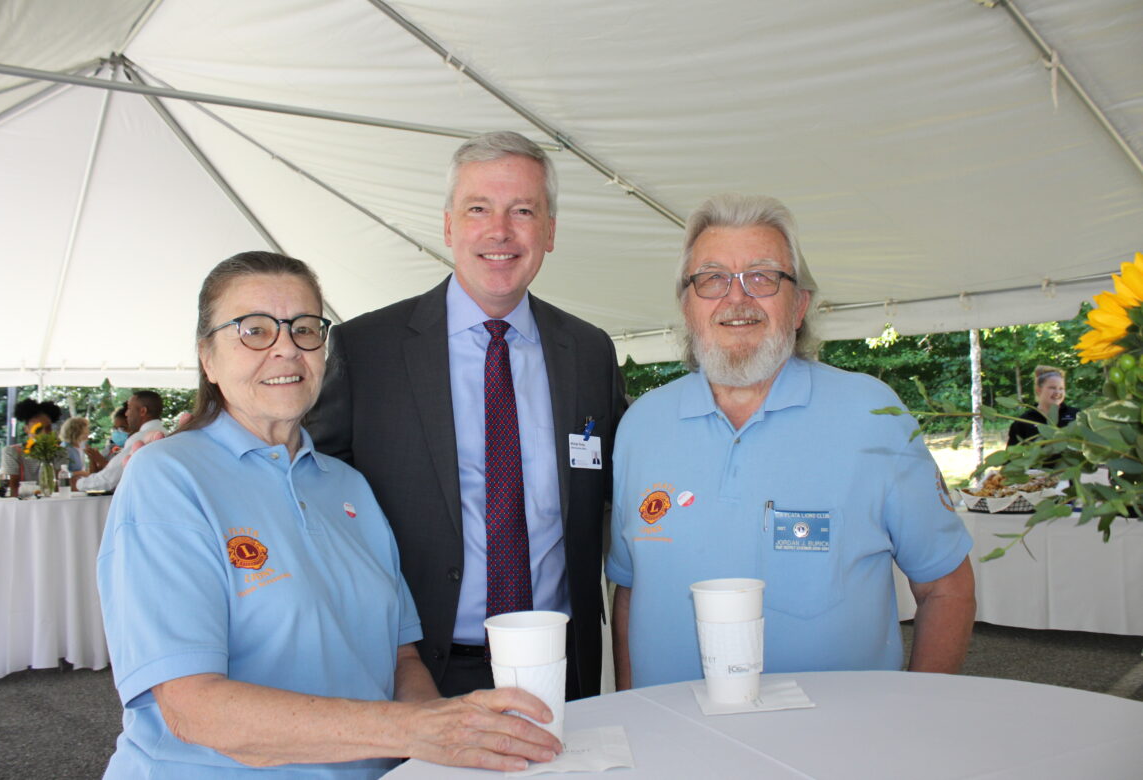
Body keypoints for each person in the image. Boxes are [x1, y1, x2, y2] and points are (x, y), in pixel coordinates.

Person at [97, 251, 561, 778]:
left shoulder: (349, 487)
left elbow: (402, 660)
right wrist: (415, 731)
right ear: (207, 356)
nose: (286, 350)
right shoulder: (170, 477)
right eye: (254, 331)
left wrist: (451, 734)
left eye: (303, 329)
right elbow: (193, 707)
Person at [607, 194, 976, 690]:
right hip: (672, 745)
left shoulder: (873, 415)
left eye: (762, 277)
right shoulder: (640, 425)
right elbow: (630, 590)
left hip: (836, 749)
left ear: (799, 304)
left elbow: (947, 587)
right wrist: (635, 715)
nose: (736, 298)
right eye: (712, 278)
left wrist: (916, 715)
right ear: (687, 306)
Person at [310, 131, 626, 700]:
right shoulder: (368, 349)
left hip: (561, 667)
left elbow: (620, 486)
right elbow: (310, 494)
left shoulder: (589, 352)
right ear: (450, 226)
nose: (500, 231)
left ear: (549, 232)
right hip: (419, 671)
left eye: (523, 210)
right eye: (478, 209)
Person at [73, 391, 166, 492]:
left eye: (129, 408)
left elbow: (110, 478)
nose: (126, 414)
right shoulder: (168, 434)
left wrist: (79, 484)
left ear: (143, 411)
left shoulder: (141, 438)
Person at [0, 398, 68, 497]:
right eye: (38, 429)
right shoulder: (12, 452)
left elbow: (61, 485)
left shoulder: (59, 452)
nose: (45, 433)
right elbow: (11, 488)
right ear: (26, 429)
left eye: (48, 428)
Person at [1007, 365, 1079, 446]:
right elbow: (1012, 456)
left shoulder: (1077, 416)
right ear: (1038, 390)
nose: (1058, 392)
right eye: (1052, 388)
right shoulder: (1023, 422)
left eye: (1061, 388)